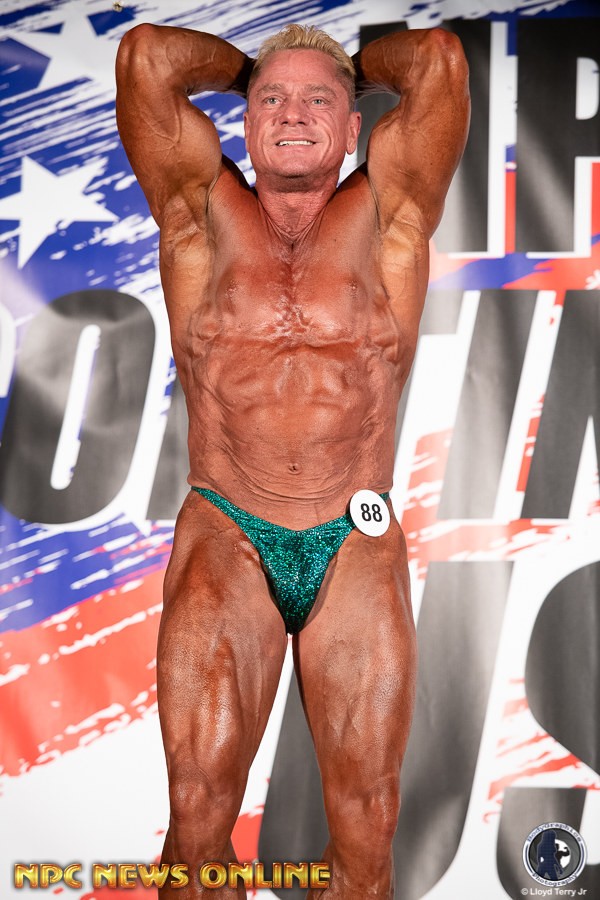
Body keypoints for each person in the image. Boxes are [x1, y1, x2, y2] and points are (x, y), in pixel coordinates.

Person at [116, 19, 469, 899]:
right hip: (227, 527)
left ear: (354, 130)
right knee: (197, 821)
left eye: (319, 102)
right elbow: (147, 57)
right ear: (244, 123)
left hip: (354, 538)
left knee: (366, 826)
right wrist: (254, 71)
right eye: (273, 101)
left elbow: (437, 61)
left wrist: (348, 71)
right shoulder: (199, 214)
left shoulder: (390, 215)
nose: (293, 112)